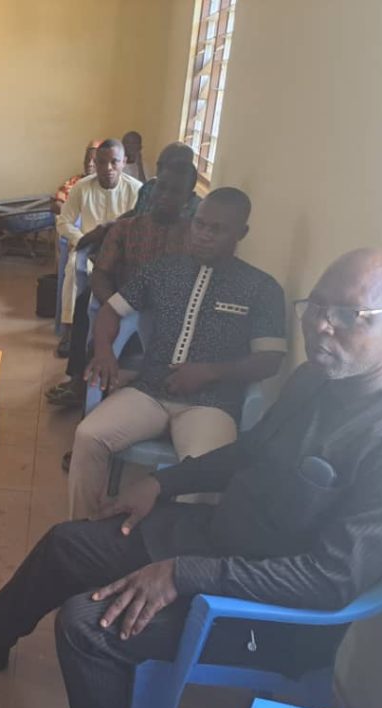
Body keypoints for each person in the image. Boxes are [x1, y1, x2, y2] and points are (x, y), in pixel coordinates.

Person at [0, 248, 382, 708]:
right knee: (68, 544)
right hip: (223, 544)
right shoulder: (316, 380)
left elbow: (328, 581)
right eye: (315, 305)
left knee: (87, 624)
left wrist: (183, 574)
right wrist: (163, 482)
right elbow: (250, 451)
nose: (321, 325)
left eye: (349, 314)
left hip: (277, 617)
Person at [71, 188, 287, 517]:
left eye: (217, 229)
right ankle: (82, 528)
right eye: (200, 224)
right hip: (150, 391)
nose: (204, 235)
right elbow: (111, 310)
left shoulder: (261, 288)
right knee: (88, 436)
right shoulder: (162, 270)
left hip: (211, 404)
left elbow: (270, 360)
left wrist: (209, 372)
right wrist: (104, 352)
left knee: (203, 476)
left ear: (241, 233)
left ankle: (172, 547)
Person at [47, 161, 198, 410]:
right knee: (88, 309)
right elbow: (101, 273)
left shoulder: (193, 237)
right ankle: (81, 388)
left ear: (188, 198)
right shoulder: (126, 229)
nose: (165, 196)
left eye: (175, 191)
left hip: (167, 314)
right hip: (121, 302)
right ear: (153, 188)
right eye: (162, 187)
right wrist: (114, 308)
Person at [54, 138, 141, 360]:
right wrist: (83, 239)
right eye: (102, 162)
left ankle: (116, 333)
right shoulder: (82, 187)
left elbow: (140, 228)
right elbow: (63, 222)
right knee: (73, 267)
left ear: (124, 162)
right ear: (95, 162)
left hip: (123, 253)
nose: (108, 168)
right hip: (89, 247)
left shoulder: (136, 190)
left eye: (114, 162)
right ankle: (70, 330)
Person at [131, 142, 202, 218]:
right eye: (159, 165)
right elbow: (136, 212)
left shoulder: (198, 209)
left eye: (175, 191)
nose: (159, 170)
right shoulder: (149, 186)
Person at [53, 140, 102, 215]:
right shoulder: (74, 181)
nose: (90, 164)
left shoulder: (106, 185)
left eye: (95, 161)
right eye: (87, 159)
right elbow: (57, 204)